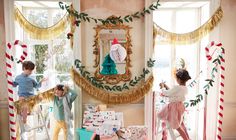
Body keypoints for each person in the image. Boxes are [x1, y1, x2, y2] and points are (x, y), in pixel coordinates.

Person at [13, 61, 45, 139]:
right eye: (29, 70)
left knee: (37, 99)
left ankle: (30, 110)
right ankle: (24, 122)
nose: (31, 72)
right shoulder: (18, 78)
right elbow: (14, 84)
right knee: (23, 103)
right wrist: (9, 80)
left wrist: (41, 81)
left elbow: (37, 86)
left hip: (31, 97)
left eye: (32, 70)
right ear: (24, 68)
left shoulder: (32, 78)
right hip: (23, 96)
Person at [158, 69, 191, 140]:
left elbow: (167, 93)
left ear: (178, 79)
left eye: (176, 78)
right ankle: (187, 138)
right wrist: (166, 86)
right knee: (179, 123)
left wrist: (163, 87)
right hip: (180, 106)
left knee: (176, 126)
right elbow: (173, 93)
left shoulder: (177, 87)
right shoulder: (185, 88)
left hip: (174, 107)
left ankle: (186, 139)